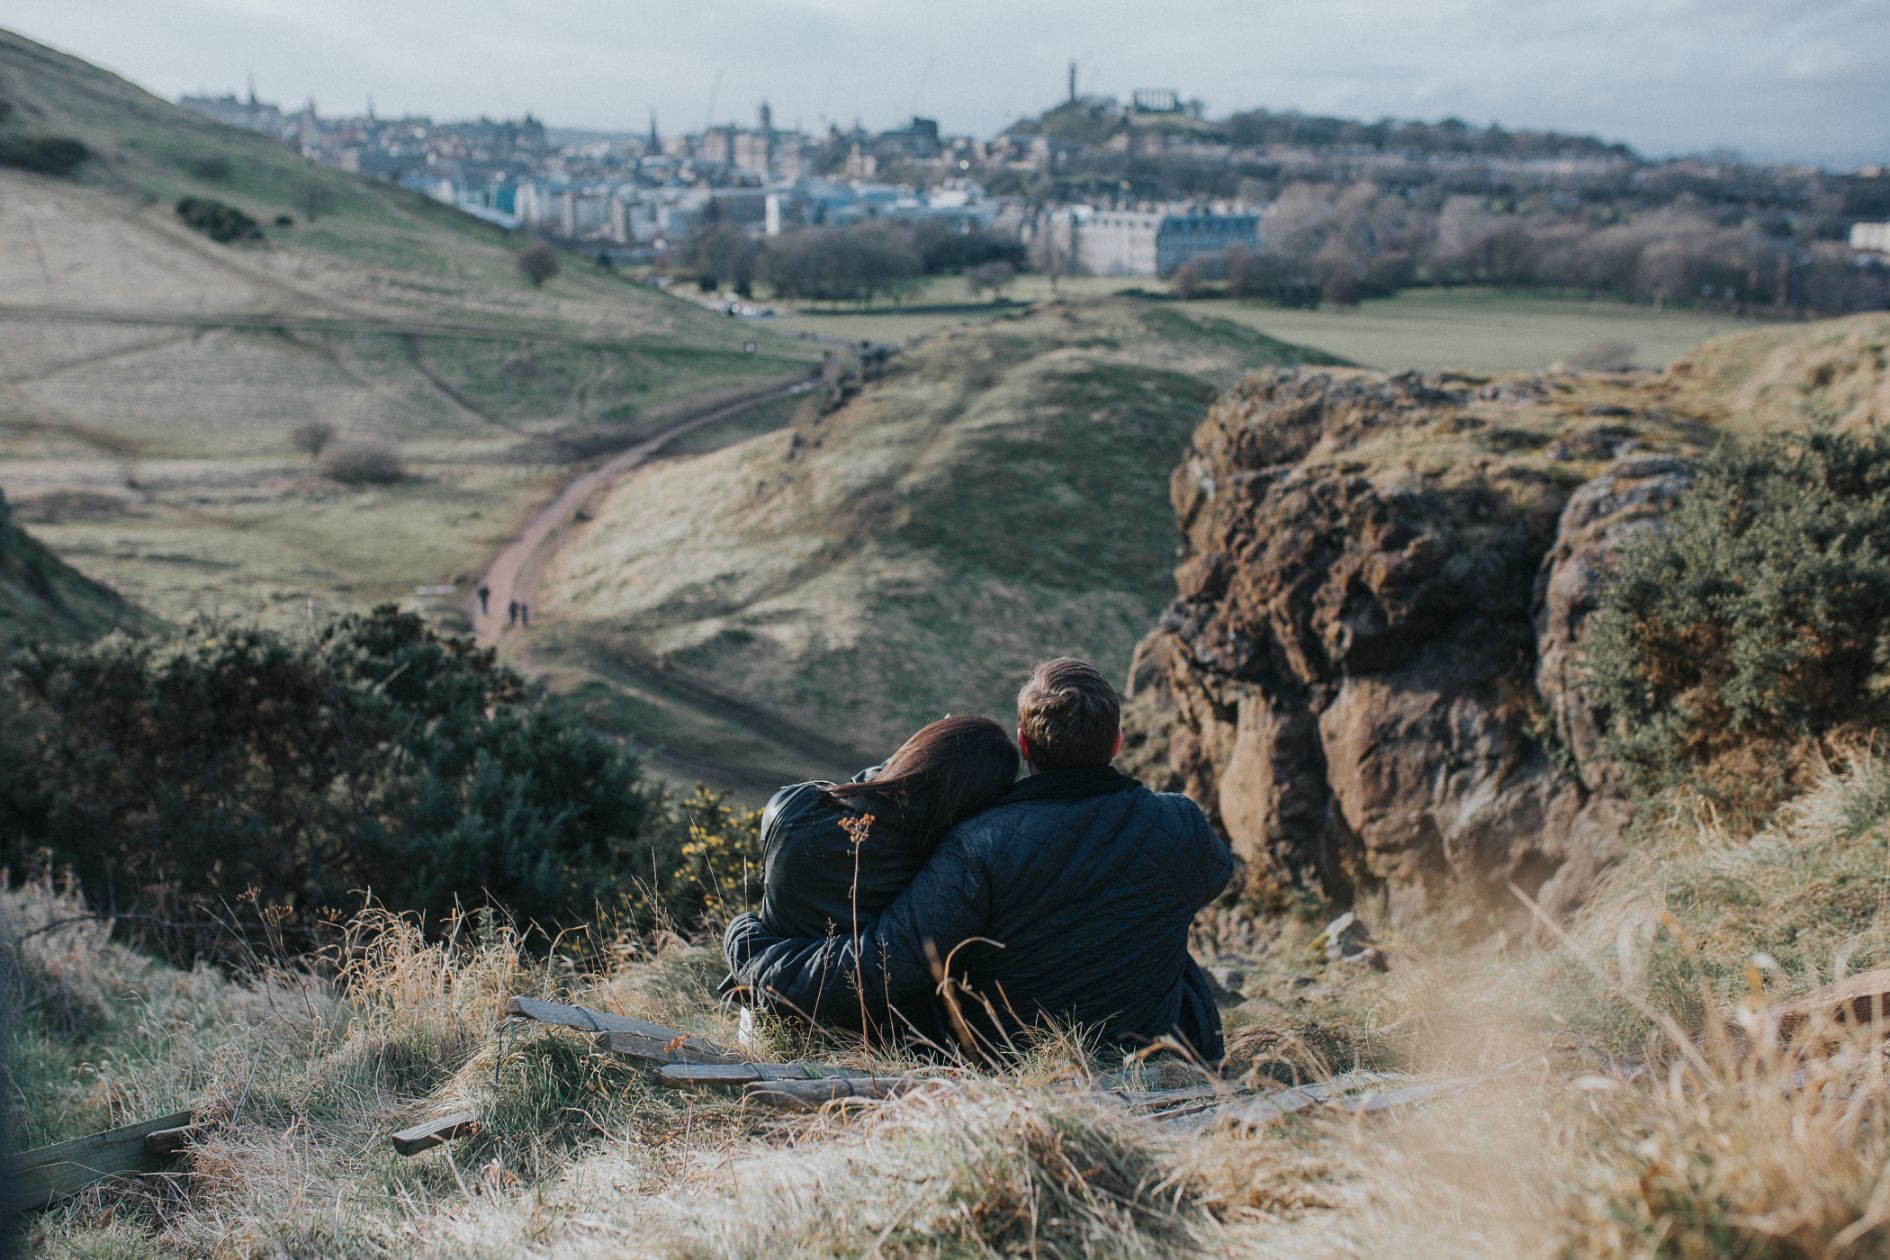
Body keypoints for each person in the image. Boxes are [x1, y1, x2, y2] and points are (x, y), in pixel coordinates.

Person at [725, 658, 1233, 1063]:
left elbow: (878, 966)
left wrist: (752, 950)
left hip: (1018, 1059)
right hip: (1157, 1049)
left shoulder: (977, 846)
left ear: (1024, 745)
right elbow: (1215, 875)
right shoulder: (1182, 824)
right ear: (1117, 742)